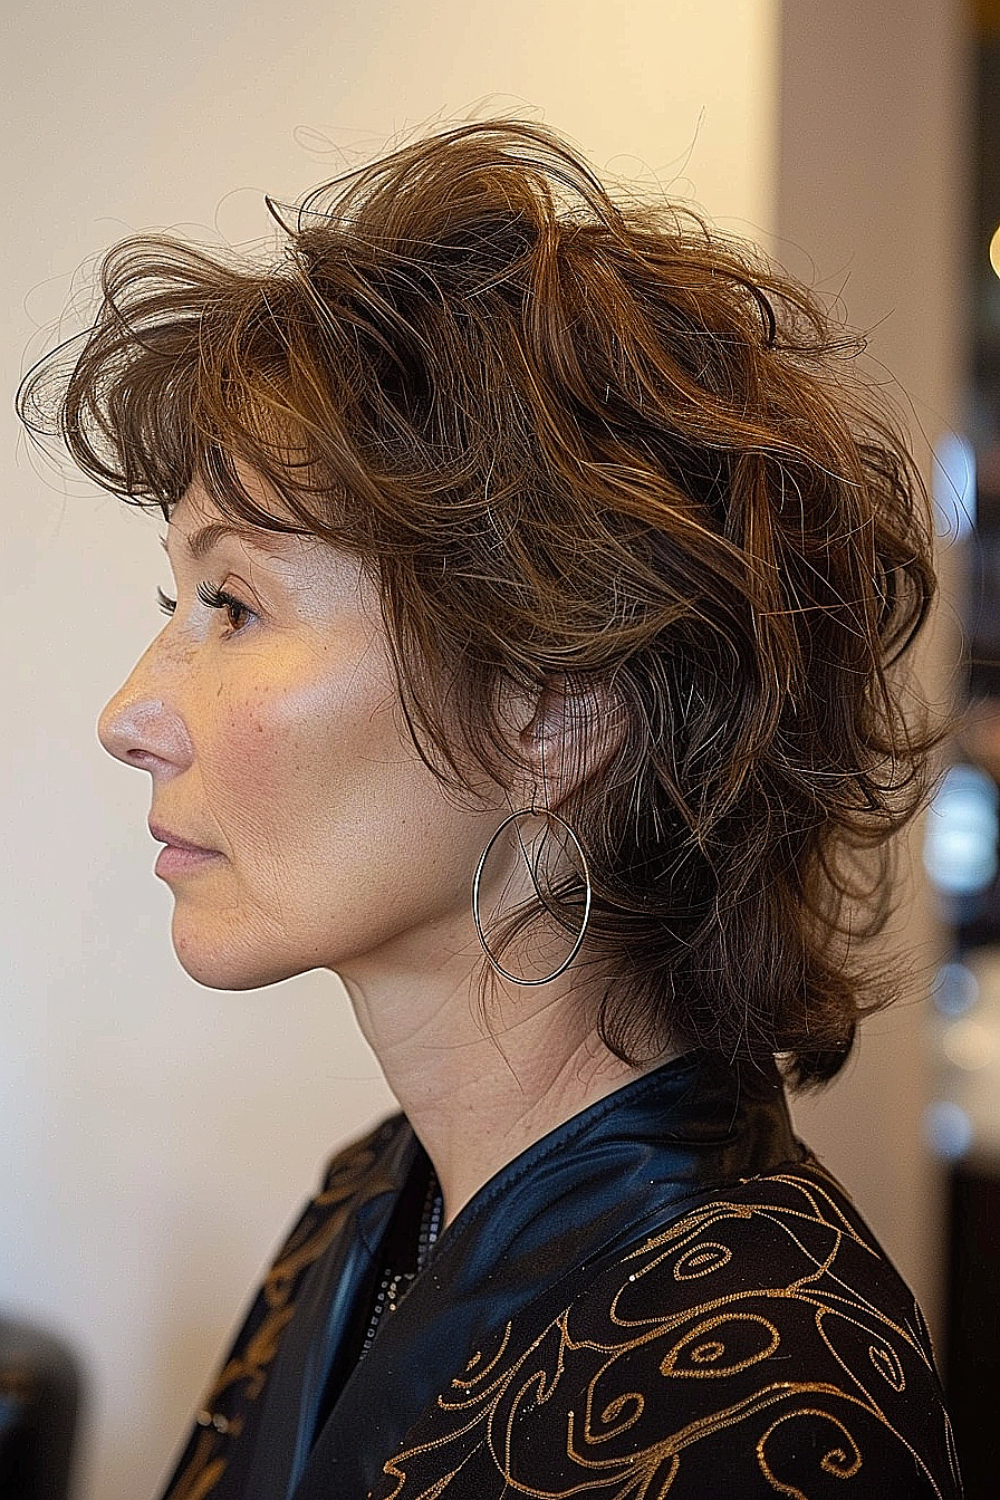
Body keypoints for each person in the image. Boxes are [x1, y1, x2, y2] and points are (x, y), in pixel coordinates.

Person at [19, 119, 961, 1498]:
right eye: (175, 603)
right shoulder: (373, 1204)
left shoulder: (761, 1405)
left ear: (555, 710)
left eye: (233, 605)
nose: (129, 717)